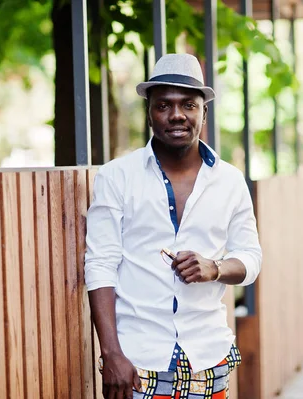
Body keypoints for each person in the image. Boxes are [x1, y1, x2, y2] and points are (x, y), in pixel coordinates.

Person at [84, 53, 262, 399]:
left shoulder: (230, 181)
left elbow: (251, 257)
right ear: (149, 112)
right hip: (139, 360)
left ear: (204, 113)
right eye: (164, 105)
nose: (177, 114)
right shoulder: (116, 176)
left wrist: (216, 268)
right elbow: (101, 265)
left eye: (189, 105)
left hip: (208, 356)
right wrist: (112, 354)